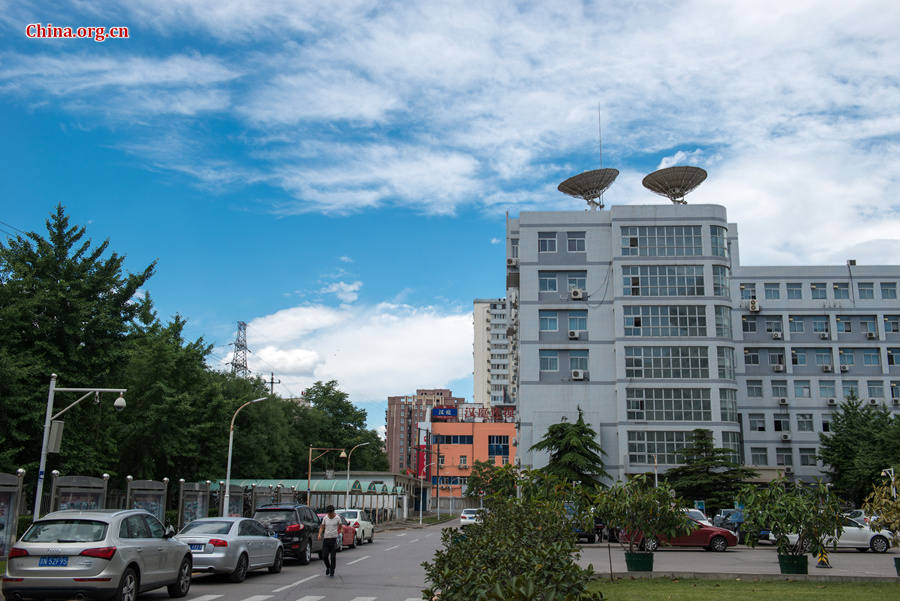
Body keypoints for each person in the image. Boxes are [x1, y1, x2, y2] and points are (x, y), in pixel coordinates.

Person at [318, 504, 343, 577]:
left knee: (333, 557)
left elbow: (340, 527)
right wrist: (319, 534)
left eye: (330, 513)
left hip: (334, 539)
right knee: (324, 556)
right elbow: (322, 527)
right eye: (328, 513)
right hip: (326, 539)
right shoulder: (325, 518)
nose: (329, 514)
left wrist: (341, 531)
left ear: (333, 512)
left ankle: (332, 569)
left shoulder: (337, 518)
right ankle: (328, 567)